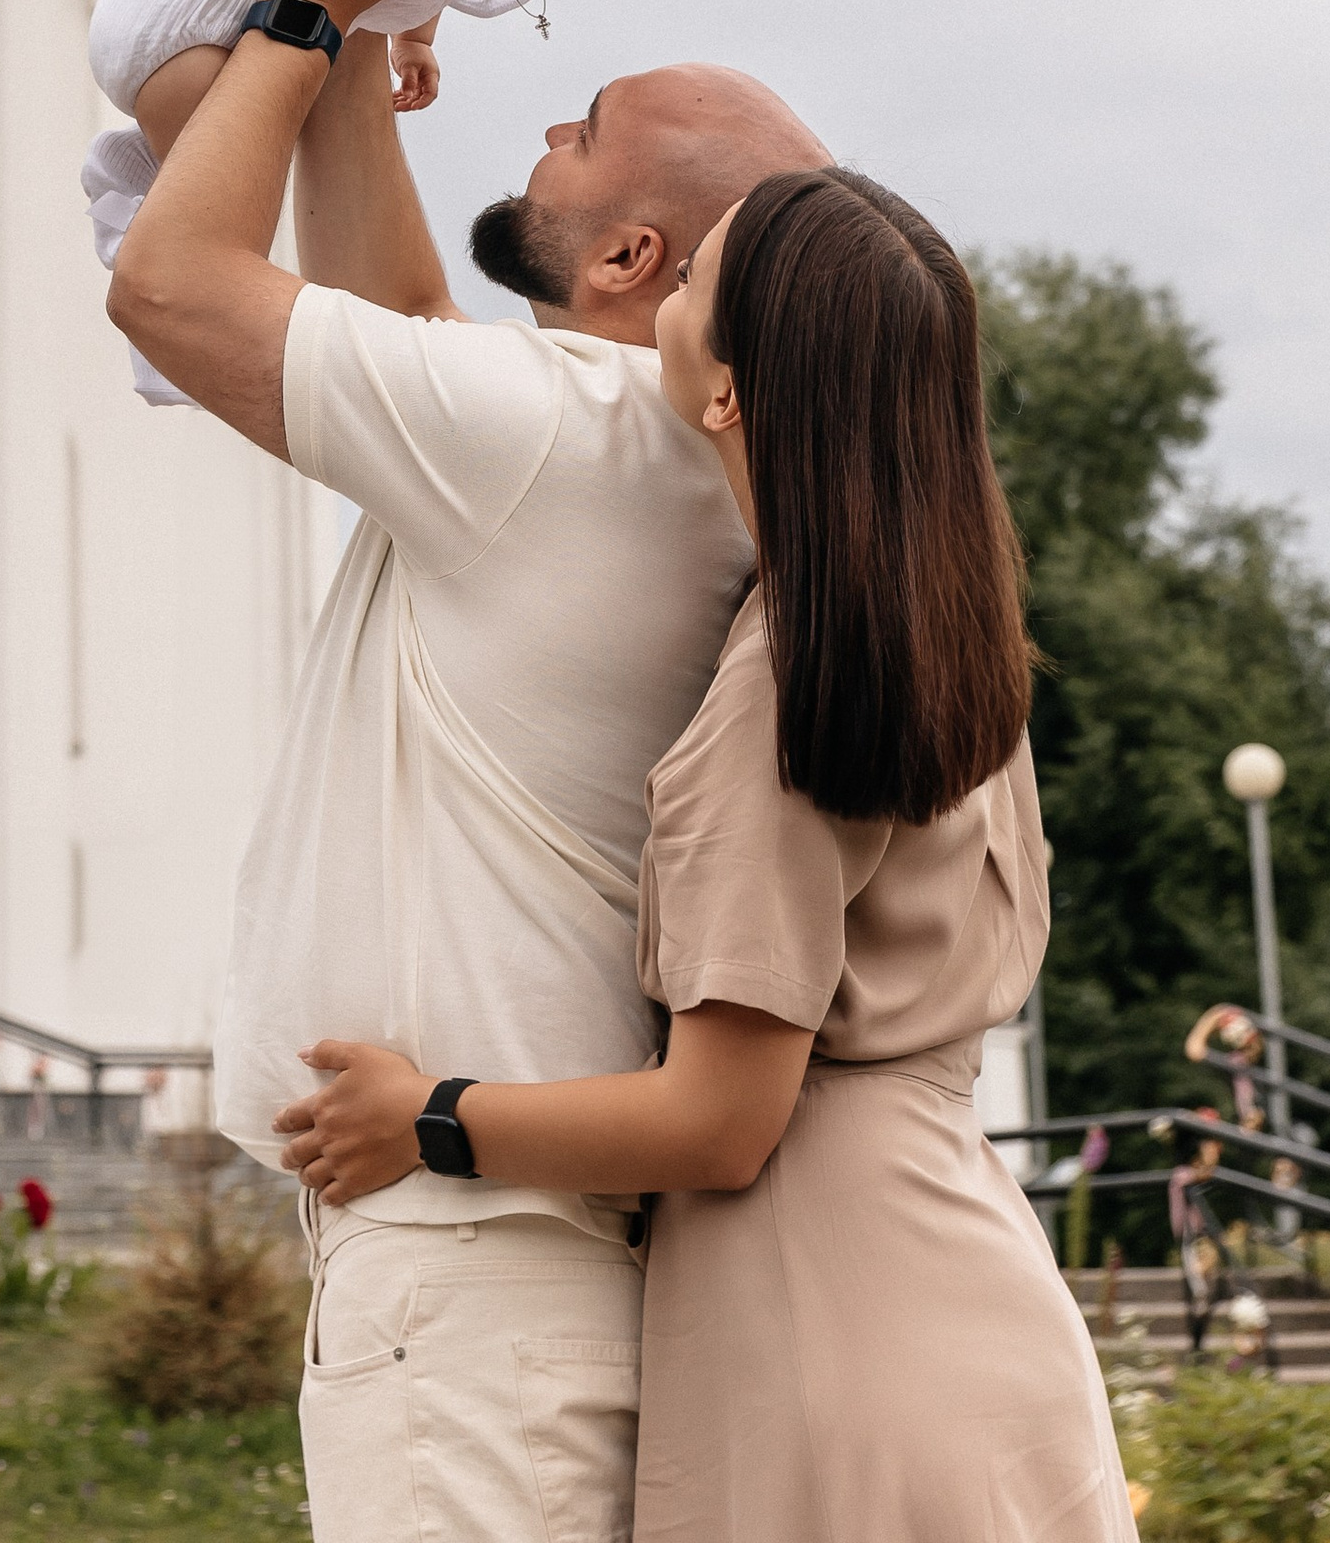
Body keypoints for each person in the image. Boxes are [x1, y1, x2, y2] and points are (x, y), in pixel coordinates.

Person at [105, 0, 831, 1543]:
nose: (539, 137)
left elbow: (168, 286)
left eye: (576, 129)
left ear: (634, 250)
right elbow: (402, 330)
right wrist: (368, 34)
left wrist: (290, 13)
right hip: (517, 1239)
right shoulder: (633, 450)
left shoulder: (555, 443)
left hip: (464, 1261)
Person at [275, 166, 1134, 1543]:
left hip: (832, 1311)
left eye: (687, 287)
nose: (657, 301)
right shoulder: (939, 637)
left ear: (726, 391)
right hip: (971, 1286)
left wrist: (430, 1116)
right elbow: (415, 329)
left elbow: (723, 1121)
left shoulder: (784, 683)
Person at [83, 0, 662, 403]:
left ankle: (161, 232)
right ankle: (172, 279)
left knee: (213, 182)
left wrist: (413, 42)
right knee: (225, 208)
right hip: (182, 21)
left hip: (190, 21)